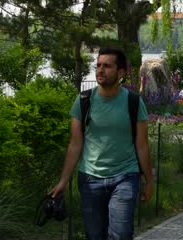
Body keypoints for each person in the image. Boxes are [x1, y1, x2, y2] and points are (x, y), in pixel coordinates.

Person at [49, 48, 154, 240]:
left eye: (107, 66)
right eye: (98, 65)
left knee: (121, 234)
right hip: (90, 179)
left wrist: (149, 180)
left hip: (125, 176)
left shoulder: (134, 102)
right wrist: (64, 181)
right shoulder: (83, 101)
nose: (100, 70)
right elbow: (75, 144)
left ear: (120, 72)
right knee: (95, 235)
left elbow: (142, 145)